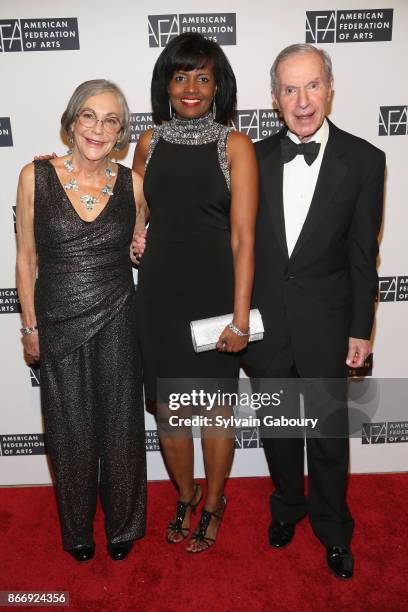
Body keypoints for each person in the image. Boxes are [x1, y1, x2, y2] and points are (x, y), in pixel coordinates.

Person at [243, 44, 385, 579]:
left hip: (328, 324)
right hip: (268, 324)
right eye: (289, 89)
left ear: (329, 86)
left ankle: (332, 527)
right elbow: (216, 232)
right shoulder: (250, 158)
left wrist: (360, 329)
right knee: (279, 429)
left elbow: (362, 255)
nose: (302, 101)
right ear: (275, 96)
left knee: (327, 437)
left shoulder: (366, 160)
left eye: (312, 86)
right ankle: (287, 507)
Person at [132, 33, 258, 552]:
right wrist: (136, 232)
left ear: (218, 87)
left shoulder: (235, 145)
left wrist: (240, 317)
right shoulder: (149, 142)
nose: (190, 88)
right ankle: (185, 495)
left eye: (203, 78)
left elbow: (244, 238)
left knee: (214, 411)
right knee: (171, 411)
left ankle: (214, 502)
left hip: (213, 295)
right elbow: (134, 206)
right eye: (180, 76)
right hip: (159, 294)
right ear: (166, 83)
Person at [16, 79, 147, 563]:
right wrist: (30, 328)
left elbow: (139, 244)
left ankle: (122, 525)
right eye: (89, 115)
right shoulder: (36, 176)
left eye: (111, 120)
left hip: (117, 316)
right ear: (72, 121)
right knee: (68, 432)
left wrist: (142, 247)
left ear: (121, 133)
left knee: (121, 427)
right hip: (56, 319)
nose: (99, 128)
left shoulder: (134, 184)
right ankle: (76, 531)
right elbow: (26, 259)